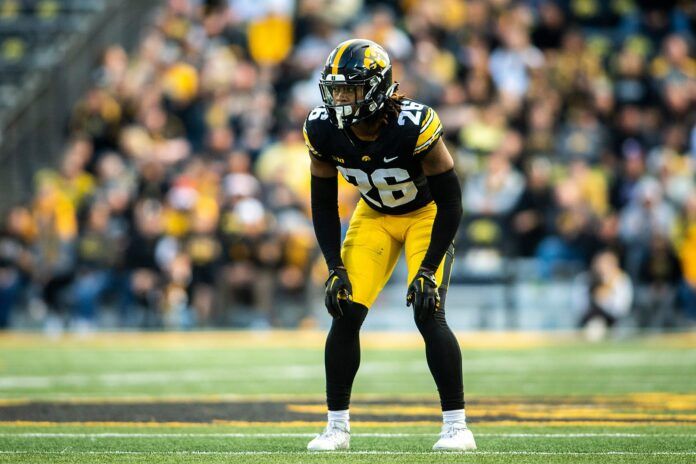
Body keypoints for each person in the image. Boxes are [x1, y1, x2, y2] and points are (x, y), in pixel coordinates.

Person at [303, 39, 475, 452]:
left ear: (377, 89)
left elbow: (451, 201)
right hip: (374, 216)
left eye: (351, 89)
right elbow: (323, 204)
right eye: (336, 89)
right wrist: (333, 266)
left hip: (426, 215)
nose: (339, 98)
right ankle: (337, 428)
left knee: (427, 310)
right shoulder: (323, 128)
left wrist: (428, 270)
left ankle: (457, 427)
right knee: (345, 310)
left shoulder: (414, 125)